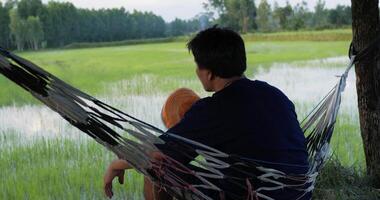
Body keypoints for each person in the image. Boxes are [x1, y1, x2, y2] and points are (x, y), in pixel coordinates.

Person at [103, 26, 310, 200]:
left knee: (158, 170)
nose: (196, 72)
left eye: (198, 66)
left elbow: (159, 155)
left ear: (209, 73)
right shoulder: (276, 95)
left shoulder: (213, 108)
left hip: (259, 194)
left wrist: (117, 164)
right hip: (299, 192)